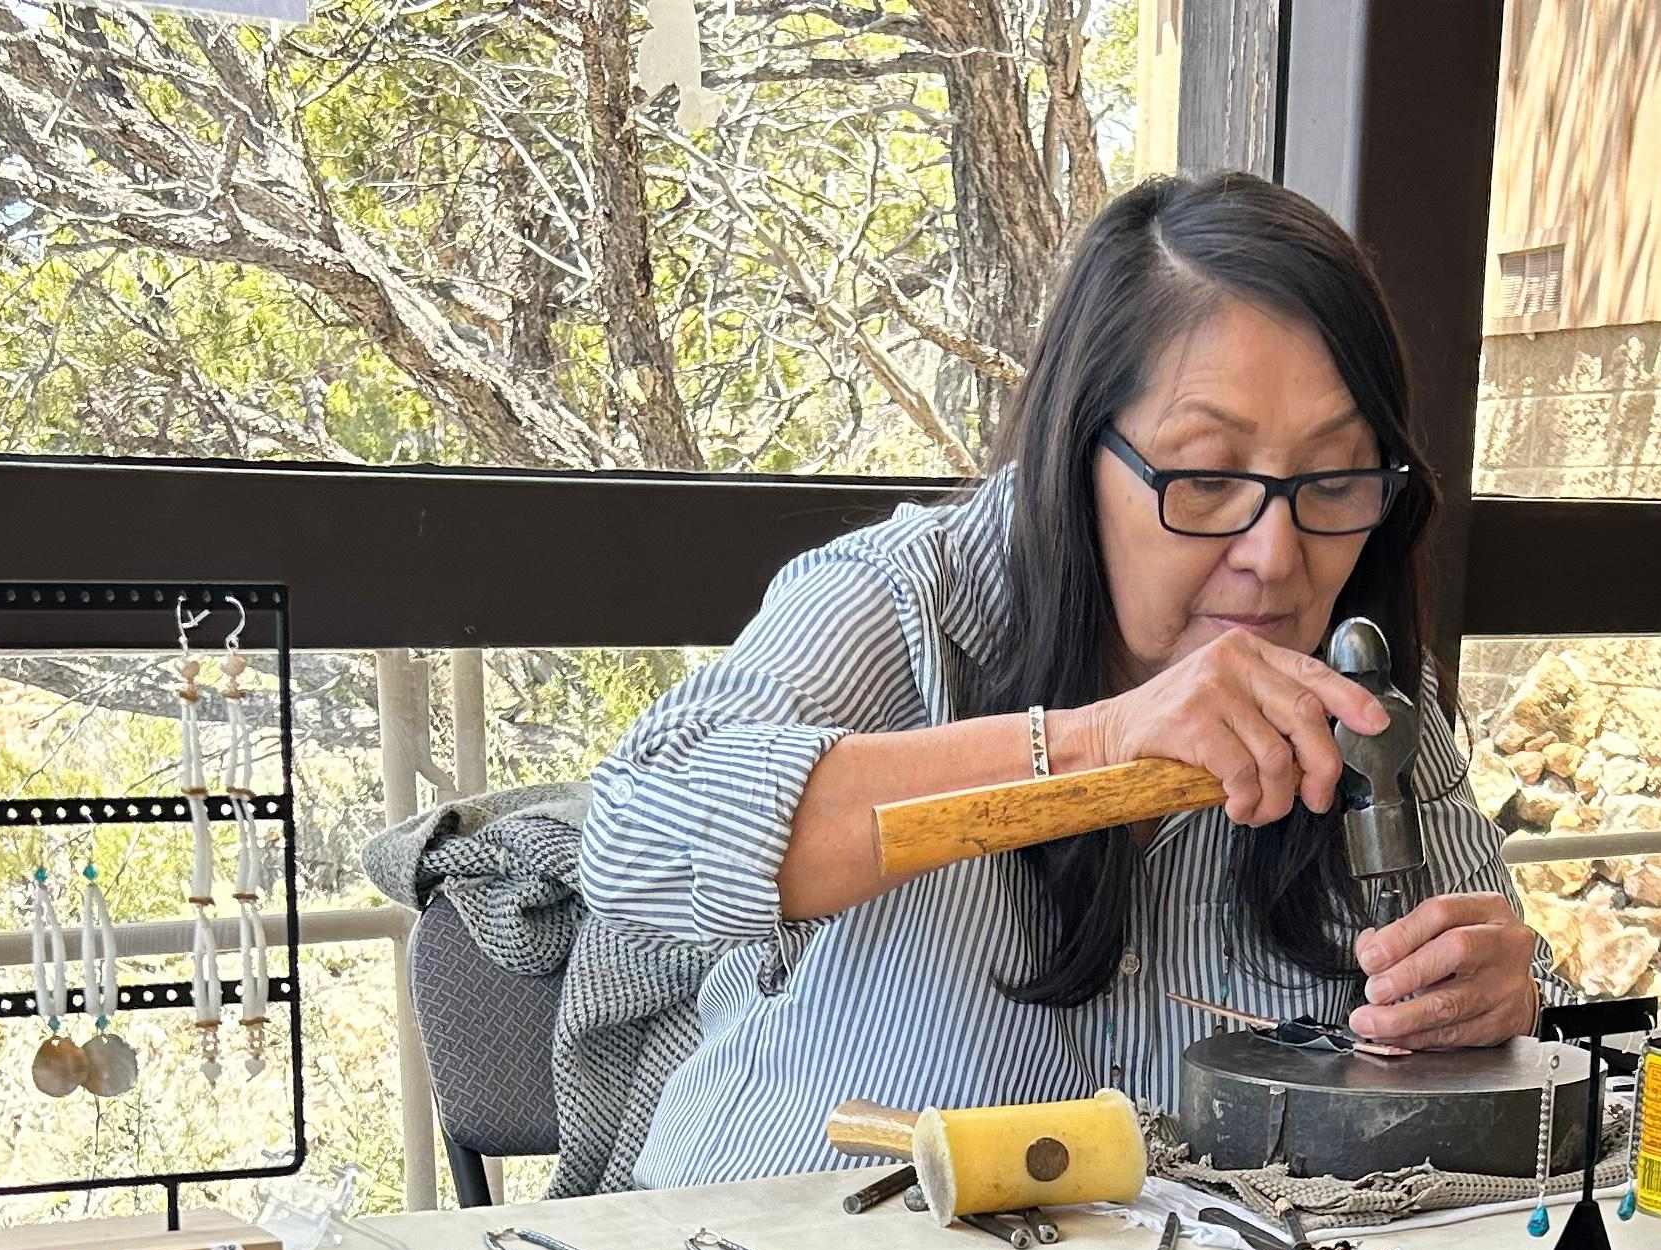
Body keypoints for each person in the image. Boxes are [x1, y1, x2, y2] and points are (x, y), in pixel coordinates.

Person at [580, 171, 1546, 1187]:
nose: (1275, 553)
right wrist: (1093, 745)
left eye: (1336, 477)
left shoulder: (1366, 698)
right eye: (1208, 477)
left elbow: (1512, 1008)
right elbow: (636, 836)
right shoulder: (907, 602)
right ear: (1076, 451)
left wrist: (1497, 1003)